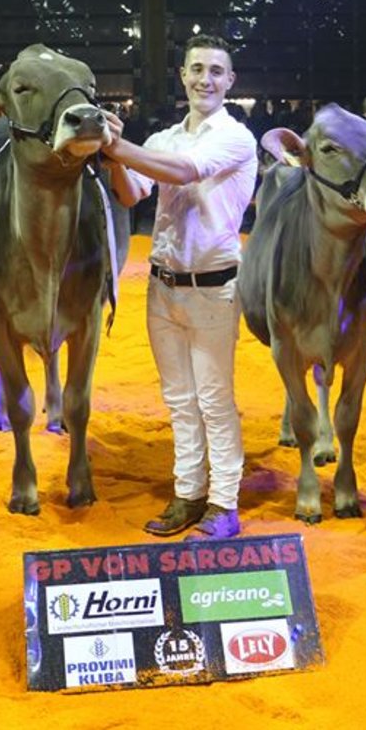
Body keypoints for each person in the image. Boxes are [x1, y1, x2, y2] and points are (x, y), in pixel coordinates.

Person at [98, 34, 258, 541]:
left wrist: (116, 145)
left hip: (214, 287)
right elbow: (130, 196)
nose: (205, 79)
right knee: (180, 398)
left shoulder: (235, 137)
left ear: (230, 82)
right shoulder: (165, 139)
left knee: (213, 398)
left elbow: (187, 171)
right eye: (196, 69)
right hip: (164, 286)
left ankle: (224, 502)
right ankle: (188, 493)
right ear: (183, 75)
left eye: (216, 70)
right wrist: (116, 159)